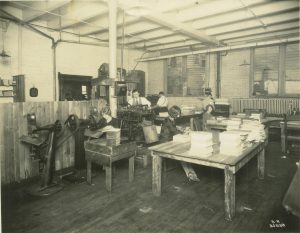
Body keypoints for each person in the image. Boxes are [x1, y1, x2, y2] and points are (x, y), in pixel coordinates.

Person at [160, 105, 200, 182]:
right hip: (165, 143)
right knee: (183, 153)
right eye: (177, 114)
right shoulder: (167, 121)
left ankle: (191, 173)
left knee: (185, 151)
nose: (178, 116)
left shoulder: (170, 120)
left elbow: (174, 128)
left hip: (171, 140)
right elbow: (174, 132)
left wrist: (182, 129)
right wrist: (185, 131)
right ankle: (190, 173)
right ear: (173, 114)